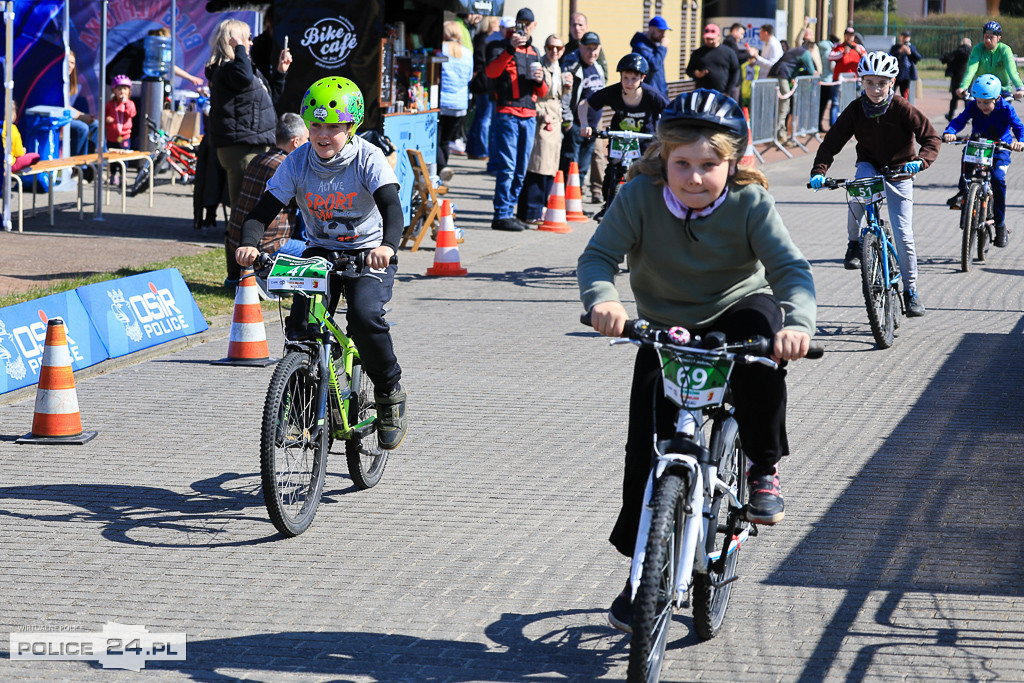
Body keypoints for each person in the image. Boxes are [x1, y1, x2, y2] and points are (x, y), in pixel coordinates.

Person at [577, 88, 816, 632]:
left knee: (761, 359)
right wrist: (605, 300)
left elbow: (790, 270)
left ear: (733, 163)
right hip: (665, 325)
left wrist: (798, 325)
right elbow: (597, 257)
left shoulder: (749, 203)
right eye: (681, 163)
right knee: (645, 451)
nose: (694, 177)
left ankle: (762, 466)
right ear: (664, 159)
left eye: (709, 165)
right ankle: (644, 573)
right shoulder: (639, 196)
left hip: (737, 308)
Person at [235, 77, 408, 451]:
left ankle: (389, 390)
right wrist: (249, 244)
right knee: (301, 326)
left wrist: (388, 246)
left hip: (368, 252)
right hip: (321, 252)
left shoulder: (367, 157)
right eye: (316, 125)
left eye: (334, 127)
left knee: (363, 317)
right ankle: (300, 410)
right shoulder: (297, 162)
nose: (323, 135)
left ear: (351, 128)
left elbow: (393, 209)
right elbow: (261, 211)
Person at [810, 51, 940, 317]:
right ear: (862, 82)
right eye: (869, 82)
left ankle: (911, 291)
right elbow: (832, 141)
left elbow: (931, 139)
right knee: (856, 193)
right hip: (869, 164)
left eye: (881, 83)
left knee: (903, 234)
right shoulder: (856, 109)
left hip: (901, 170)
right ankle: (855, 243)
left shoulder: (903, 108)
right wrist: (819, 171)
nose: (875, 89)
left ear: (892, 82)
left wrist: (921, 162)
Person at [205, 18, 291, 218]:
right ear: (235, 41)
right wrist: (240, 48)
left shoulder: (242, 69)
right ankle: (236, 248)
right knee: (243, 206)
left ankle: (246, 247)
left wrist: (280, 73)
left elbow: (270, 98)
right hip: (241, 147)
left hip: (254, 143)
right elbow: (242, 77)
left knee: (252, 204)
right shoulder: (226, 69)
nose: (251, 42)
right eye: (248, 38)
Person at [579, 53, 668, 220]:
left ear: (642, 78)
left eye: (633, 79)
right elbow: (584, 104)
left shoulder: (652, 95)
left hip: (645, 139)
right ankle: (608, 205)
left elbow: (672, 111)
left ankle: (652, 209)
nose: (628, 83)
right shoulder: (614, 91)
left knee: (648, 171)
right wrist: (584, 125)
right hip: (619, 138)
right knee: (613, 169)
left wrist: (666, 133)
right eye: (625, 78)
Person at [224, 113, 309, 284]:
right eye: (307, 139)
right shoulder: (285, 167)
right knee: (322, 255)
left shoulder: (258, 158)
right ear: (296, 142)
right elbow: (308, 205)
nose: (309, 145)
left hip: (237, 241)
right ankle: (272, 279)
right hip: (267, 247)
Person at [942, 74, 1024, 248]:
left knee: (998, 179)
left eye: (986, 102)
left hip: (1000, 149)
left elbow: (1018, 127)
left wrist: (1020, 141)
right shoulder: (973, 107)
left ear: (997, 98)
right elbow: (960, 121)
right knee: (966, 162)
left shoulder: (1006, 108)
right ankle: (963, 194)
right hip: (978, 145)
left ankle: (1000, 225)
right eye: (979, 102)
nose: (982, 106)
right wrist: (950, 131)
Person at [484, 7, 547, 232]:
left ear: (533, 26)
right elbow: (491, 72)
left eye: (528, 24)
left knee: (521, 169)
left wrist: (540, 81)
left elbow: (542, 92)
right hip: (507, 114)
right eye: (520, 23)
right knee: (508, 167)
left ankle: (508, 212)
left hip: (529, 115)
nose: (524, 27)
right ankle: (501, 214)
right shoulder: (498, 46)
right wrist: (510, 48)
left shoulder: (535, 52)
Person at [517, 34, 565, 225]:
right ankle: (531, 210)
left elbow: (558, 94)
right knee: (538, 165)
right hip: (543, 118)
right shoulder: (539, 66)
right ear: (544, 48)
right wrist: (540, 113)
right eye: (551, 47)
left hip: (556, 118)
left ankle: (540, 208)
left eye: (559, 48)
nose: (554, 51)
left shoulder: (559, 67)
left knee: (550, 166)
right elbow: (532, 93)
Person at [560, 31, 605, 192]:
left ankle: (575, 203)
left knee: (583, 170)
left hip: (592, 128)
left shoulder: (598, 67)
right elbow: (565, 96)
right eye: (588, 48)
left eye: (595, 48)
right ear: (580, 47)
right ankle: (566, 202)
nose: (592, 52)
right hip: (576, 126)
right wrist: (568, 123)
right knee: (571, 168)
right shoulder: (573, 67)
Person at [437, 20, 474, 183]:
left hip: (442, 101)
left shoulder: (441, 51)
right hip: (459, 103)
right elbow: (469, 77)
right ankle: (443, 169)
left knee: (436, 140)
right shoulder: (467, 53)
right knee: (446, 139)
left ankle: (441, 168)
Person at [957, 22, 1024, 101]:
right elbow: (971, 70)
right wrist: (963, 87)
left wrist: (1020, 88)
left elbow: (1012, 70)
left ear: (999, 38)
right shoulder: (978, 49)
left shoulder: (1005, 50)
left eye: (991, 37)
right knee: (970, 111)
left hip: (1002, 89)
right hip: (981, 89)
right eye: (986, 37)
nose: (988, 40)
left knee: (1007, 112)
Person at [466, 16, 501, 160]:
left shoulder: (480, 39)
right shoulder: (486, 41)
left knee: (479, 117)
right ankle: (480, 150)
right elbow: (483, 62)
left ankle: (473, 149)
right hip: (485, 83)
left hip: (481, 82)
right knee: (484, 119)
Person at [768, 42, 816, 143]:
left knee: (774, 106)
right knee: (784, 106)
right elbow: (812, 71)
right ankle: (779, 136)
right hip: (782, 75)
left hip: (773, 73)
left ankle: (772, 134)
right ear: (811, 49)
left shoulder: (795, 50)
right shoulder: (805, 52)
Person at [827, 27, 866, 126]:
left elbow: (867, 60)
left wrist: (859, 52)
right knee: (836, 103)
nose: (849, 37)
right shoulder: (838, 46)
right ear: (845, 36)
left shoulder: (859, 47)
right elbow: (830, 57)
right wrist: (843, 53)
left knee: (852, 103)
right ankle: (833, 126)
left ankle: (851, 126)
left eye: (851, 35)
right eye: (848, 35)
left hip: (853, 81)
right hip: (839, 80)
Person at [686, 24, 740, 94]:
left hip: (722, 94)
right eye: (707, 39)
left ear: (718, 36)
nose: (710, 41)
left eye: (712, 39)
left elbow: (736, 70)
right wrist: (696, 73)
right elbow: (689, 70)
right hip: (703, 93)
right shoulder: (697, 53)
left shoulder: (728, 52)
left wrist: (728, 91)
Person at [67, 49, 99, 159]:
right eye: (67, 62)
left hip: (69, 115)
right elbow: (61, 107)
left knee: (96, 124)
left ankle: (97, 162)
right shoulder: (56, 81)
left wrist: (84, 116)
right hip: (59, 119)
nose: (70, 66)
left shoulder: (71, 83)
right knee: (82, 128)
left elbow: (68, 106)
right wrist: (81, 117)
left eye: (72, 63)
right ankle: (78, 167)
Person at [629, 16, 670, 98]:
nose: (663, 35)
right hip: (648, 94)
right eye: (660, 31)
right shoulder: (640, 47)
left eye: (664, 32)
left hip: (659, 92)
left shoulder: (653, 45)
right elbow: (654, 65)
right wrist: (662, 47)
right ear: (651, 28)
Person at [3, 101, 40, 173]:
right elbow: (18, 153)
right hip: (8, 164)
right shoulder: (11, 128)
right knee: (35, 156)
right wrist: (23, 151)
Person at [941, 38, 973, 121]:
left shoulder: (957, 52)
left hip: (957, 76)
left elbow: (946, 59)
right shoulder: (972, 53)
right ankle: (968, 116)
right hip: (968, 77)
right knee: (967, 97)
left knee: (955, 97)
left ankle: (951, 114)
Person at [723, 23, 751, 102]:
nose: (741, 37)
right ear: (735, 31)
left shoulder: (730, 42)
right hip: (732, 81)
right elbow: (736, 57)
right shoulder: (730, 41)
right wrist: (749, 54)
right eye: (741, 34)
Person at [889, 30, 922, 99]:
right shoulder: (895, 47)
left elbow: (918, 58)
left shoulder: (912, 47)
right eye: (903, 37)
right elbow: (890, 56)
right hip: (895, 73)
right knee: (890, 92)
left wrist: (910, 52)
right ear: (901, 37)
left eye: (906, 37)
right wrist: (899, 51)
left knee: (905, 94)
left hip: (906, 74)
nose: (905, 38)